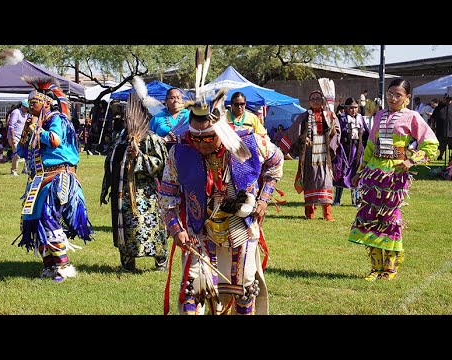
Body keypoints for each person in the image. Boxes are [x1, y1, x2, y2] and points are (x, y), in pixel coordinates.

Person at [158, 48, 284, 315]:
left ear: (222, 131)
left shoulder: (251, 142)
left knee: (244, 289)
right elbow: (167, 196)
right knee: (192, 291)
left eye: (209, 138)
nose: (202, 144)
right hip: (200, 230)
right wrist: (175, 229)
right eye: (197, 138)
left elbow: (275, 162)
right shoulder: (180, 150)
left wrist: (263, 199)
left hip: (241, 228)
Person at [348, 78, 439, 281]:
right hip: (373, 174)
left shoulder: (412, 117)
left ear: (407, 98)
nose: (393, 98)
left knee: (389, 219)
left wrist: (411, 160)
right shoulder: (379, 115)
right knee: (370, 217)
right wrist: (359, 172)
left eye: (398, 95)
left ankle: (389, 268)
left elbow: (431, 144)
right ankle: (375, 268)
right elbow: (371, 146)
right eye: (390, 93)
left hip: (395, 176)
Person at [12, 76, 93, 282]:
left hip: (58, 176)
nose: (30, 107)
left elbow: (55, 140)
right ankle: (49, 265)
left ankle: (63, 264)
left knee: (48, 217)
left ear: (46, 103)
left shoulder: (57, 119)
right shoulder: (34, 123)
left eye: (34, 103)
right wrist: (25, 134)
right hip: (37, 180)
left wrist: (36, 131)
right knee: (34, 221)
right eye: (29, 103)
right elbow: (21, 152)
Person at [101, 88, 170, 273]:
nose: (127, 120)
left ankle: (160, 260)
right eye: (125, 117)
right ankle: (128, 263)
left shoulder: (151, 138)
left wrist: (139, 157)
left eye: (130, 116)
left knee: (147, 225)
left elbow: (160, 164)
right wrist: (107, 186)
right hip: (120, 192)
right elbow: (111, 161)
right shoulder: (120, 137)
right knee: (123, 226)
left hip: (143, 194)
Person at [279, 90, 340, 221]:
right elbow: (294, 132)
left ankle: (327, 213)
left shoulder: (329, 115)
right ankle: (309, 212)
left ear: (323, 100)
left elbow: (336, 133)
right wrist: (303, 139)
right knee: (309, 182)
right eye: (313, 99)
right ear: (309, 102)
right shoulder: (304, 117)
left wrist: (333, 126)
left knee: (326, 182)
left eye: (318, 98)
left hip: (324, 155)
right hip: (309, 154)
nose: (315, 101)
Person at [332, 98, 369, 206]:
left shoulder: (360, 118)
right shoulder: (341, 118)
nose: (354, 110)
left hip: (357, 150)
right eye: (351, 108)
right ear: (346, 108)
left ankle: (356, 200)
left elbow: (367, 133)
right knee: (341, 173)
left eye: (356, 108)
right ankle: (337, 200)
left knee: (357, 172)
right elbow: (335, 132)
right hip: (344, 149)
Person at [7, 99, 29, 176]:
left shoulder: (26, 114)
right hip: (14, 136)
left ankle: (25, 169)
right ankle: (13, 170)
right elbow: (11, 126)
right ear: (22, 106)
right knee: (17, 153)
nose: (27, 109)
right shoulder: (16, 112)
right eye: (26, 108)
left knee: (26, 153)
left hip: (22, 137)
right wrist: (12, 137)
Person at [430, 94, 452, 161]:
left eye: (449, 98)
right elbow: (433, 118)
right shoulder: (438, 108)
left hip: (451, 130)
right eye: (446, 98)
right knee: (441, 146)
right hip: (441, 130)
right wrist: (433, 127)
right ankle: (440, 155)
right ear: (444, 98)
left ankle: (451, 157)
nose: (447, 99)